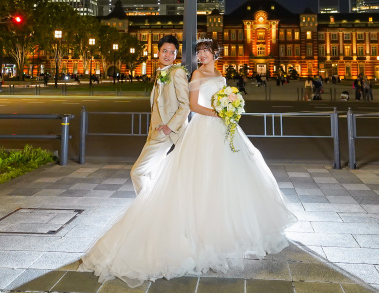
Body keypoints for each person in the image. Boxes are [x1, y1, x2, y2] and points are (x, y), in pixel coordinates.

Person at [80, 38, 296, 287]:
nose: (202, 55)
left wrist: (230, 109)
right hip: (205, 127)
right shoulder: (194, 73)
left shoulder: (219, 73)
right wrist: (218, 112)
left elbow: (214, 98)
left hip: (222, 127)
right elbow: (193, 105)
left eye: (205, 51)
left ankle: (223, 227)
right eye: (199, 52)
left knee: (227, 177)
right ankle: (162, 211)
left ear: (215, 53)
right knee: (198, 175)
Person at [129, 35, 190, 195]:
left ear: (176, 55)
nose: (168, 55)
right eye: (165, 51)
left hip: (165, 133)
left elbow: (186, 104)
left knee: (138, 172)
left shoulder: (177, 72)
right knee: (151, 173)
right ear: (158, 52)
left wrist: (169, 128)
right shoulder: (160, 73)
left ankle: (145, 208)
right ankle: (154, 209)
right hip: (155, 133)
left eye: (172, 52)